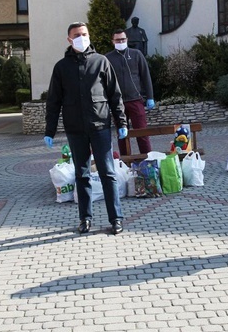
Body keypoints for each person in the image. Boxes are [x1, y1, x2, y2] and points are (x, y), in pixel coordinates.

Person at [44, 22, 128, 235]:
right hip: (75, 129)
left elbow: (114, 95)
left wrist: (122, 122)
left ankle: (116, 218)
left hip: (99, 126)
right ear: (69, 39)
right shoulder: (61, 67)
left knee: (108, 173)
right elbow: (54, 101)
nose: (81, 37)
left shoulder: (101, 62)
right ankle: (85, 219)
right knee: (82, 175)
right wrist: (49, 130)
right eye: (77, 35)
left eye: (84, 34)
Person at [105, 28, 155, 155]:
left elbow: (145, 76)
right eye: (118, 40)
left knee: (142, 132)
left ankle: (148, 160)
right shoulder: (108, 58)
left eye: (122, 39)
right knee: (122, 135)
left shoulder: (136, 54)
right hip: (118, 103)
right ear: (113, 41)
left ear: (127, 40)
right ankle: (126, 161)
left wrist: (150, 96)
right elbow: (104, 82)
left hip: (135, 100)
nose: (120, 41)